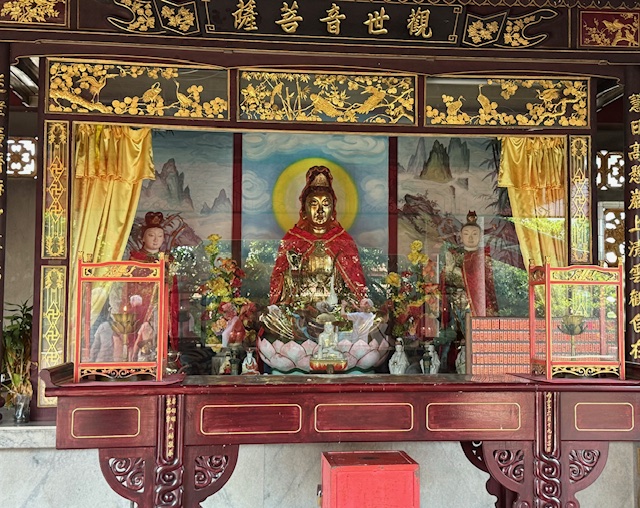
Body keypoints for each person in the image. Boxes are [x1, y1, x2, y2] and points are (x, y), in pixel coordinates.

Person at [269, 165, 367, 307]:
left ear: (333, 209)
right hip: (300, 308)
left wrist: (349, 306)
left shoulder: (343, 241)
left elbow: (354, 287)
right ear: (304, 209)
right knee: (272, 315)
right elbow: (280, 284)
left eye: (326, 204)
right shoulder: (293, 240)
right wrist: (292, 276)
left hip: (335, 308)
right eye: (314, 204)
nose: (320, 211)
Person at [128, 211, 180, 358]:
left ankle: (161, 356)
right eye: (151, 235)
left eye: (160, 236)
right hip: (143, 305)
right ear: (143, 238)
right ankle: (141, 358)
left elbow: (173, 287)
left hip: (162, 304)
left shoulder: (168, 260)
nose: (156, 240)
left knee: (161, 332)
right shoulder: (136, 259)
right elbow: (131, 286)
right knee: (143, 333)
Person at [442, 211, 498, 317]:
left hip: (478, 302)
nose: (470, 238)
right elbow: (446, 281)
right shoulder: (455, 255)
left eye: (475, 234)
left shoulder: (483, 257)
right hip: (458, 301)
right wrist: (451, 270)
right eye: (466, 234)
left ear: (480, 236)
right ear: (461, 236)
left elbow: (487, 283)